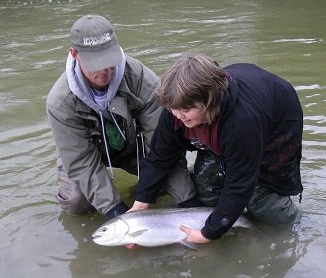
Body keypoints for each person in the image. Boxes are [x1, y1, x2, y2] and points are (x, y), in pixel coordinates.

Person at [130, 53, 303, 243]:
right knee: (207, 185)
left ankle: (298, 227)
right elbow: (160, 156)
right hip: (228, 124)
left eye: (187, 110)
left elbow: (240, 184)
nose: (179, 116)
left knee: (258, 194)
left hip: (277, 123)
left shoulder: (242, 123)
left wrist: (208, 234)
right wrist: (141, 202)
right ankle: (228, 217)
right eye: (174, 109)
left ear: (209, 101)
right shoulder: (176, 107)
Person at [46, 15, 196, 218]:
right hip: (87, 153)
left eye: (109, 61)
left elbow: (163, 146)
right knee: (76, 203)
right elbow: (81, 161)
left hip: (134, 147)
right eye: (95, 63)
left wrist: (189, 202)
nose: (105, 71)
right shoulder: (60, 103)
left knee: (166, 185)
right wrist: (115, 211)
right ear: (74, 54)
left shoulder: (143, 81)